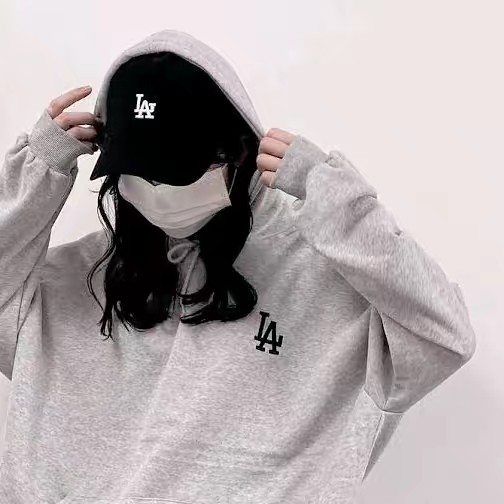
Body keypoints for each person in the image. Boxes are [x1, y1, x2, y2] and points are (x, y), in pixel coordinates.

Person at [0, 29, 476, 503]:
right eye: (137, 171)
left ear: (236, 151)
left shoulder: (316, 273)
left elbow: (443, 337)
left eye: (175, 170)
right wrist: (35, 173)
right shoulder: (80, 276)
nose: (156, 190)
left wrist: (334, 200)